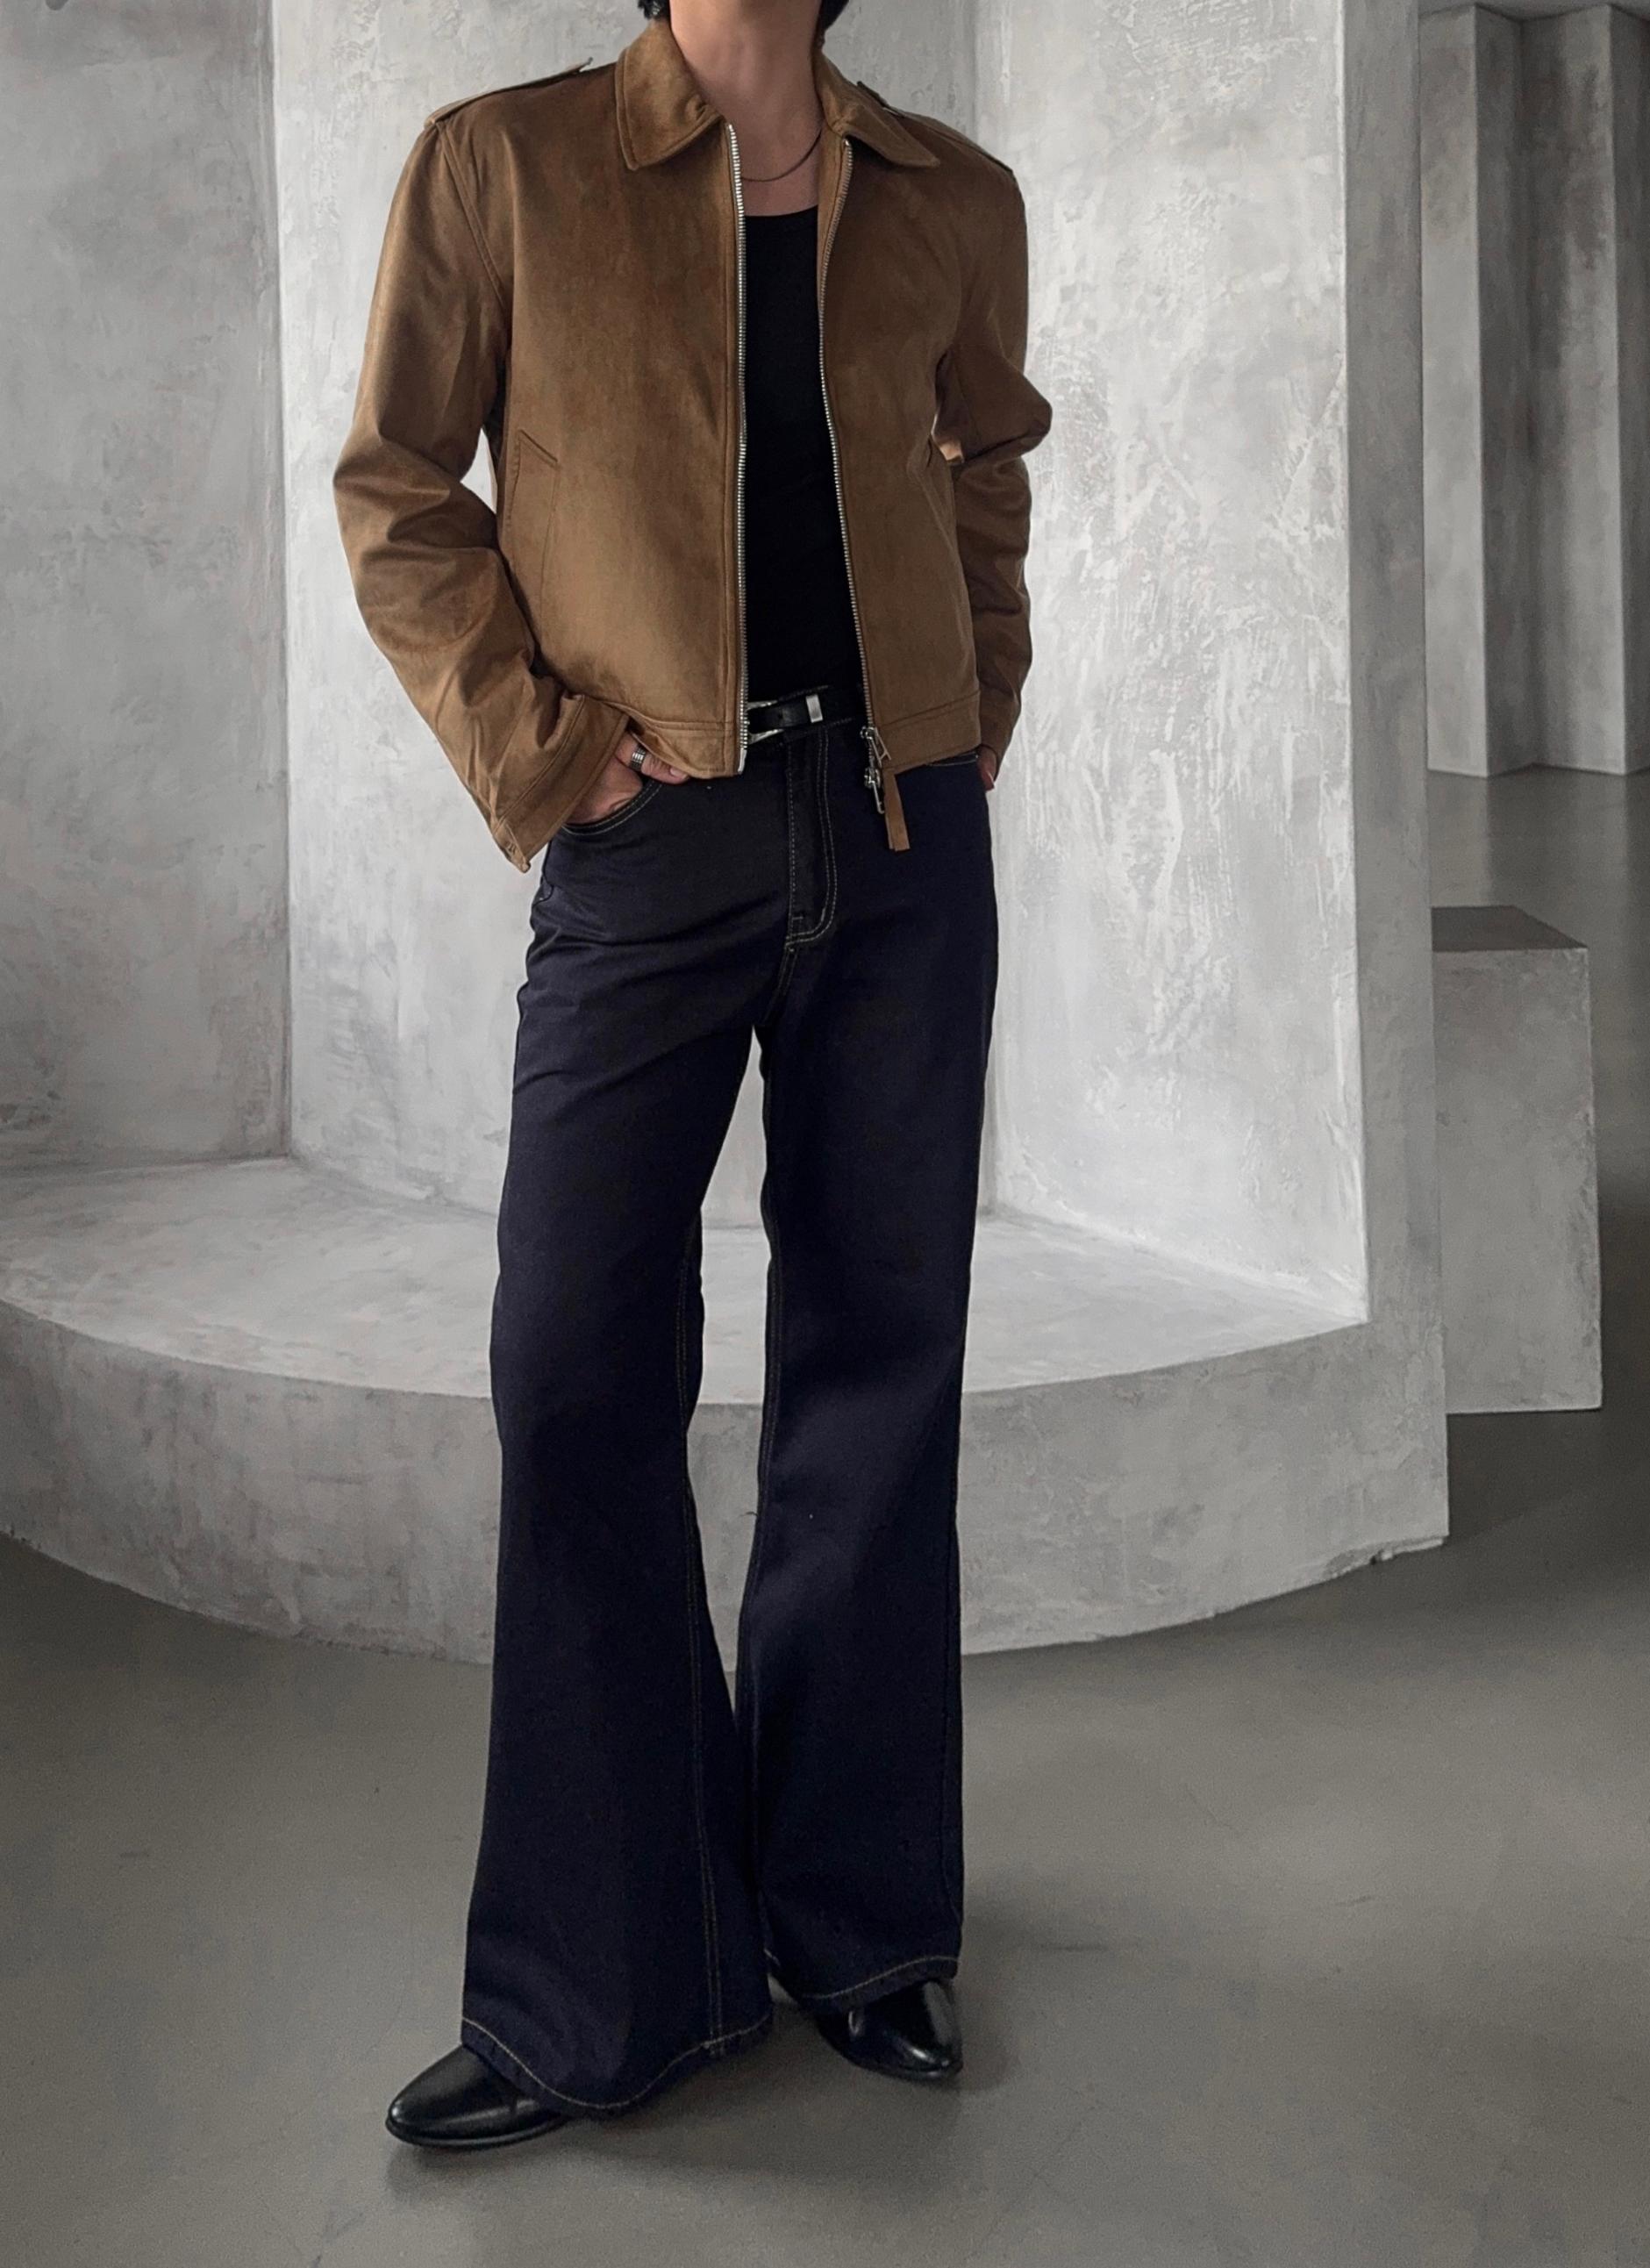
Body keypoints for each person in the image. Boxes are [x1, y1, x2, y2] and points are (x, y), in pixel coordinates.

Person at [332, 0, 1051, 2151]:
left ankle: (858, 1921)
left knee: (880, 1359)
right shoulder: (505, 164)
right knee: (571, 1361)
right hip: (647, 846)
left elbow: (986, 463)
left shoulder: (946, 194)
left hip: (902, 848)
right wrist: (550, 759)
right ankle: (604, 1977)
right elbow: (397, 491)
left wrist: (977, 703)